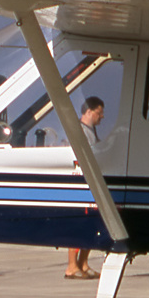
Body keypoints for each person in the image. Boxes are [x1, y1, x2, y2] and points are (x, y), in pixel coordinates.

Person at [64, 97, 106, 280]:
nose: (102, 116)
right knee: (79, 224)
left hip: (92, 183)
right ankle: (72, 266)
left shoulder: (91, 131)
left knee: (90, 223)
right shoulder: (80, 131)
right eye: (99, 112)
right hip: (81, 183)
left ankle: (83, 263)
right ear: (88, 111)